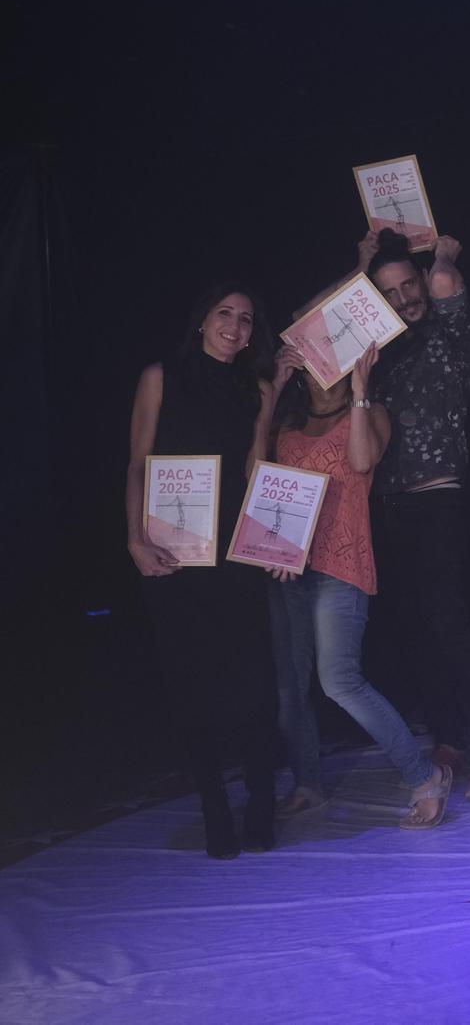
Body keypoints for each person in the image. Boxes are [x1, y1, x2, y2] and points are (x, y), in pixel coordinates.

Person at [125, 283, 286, 858]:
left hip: (236, 557)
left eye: (246, 318)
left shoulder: (258, 387)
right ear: (203, 321)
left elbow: (257, 468)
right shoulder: (160, 377)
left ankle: (261, 804)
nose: (235, 325)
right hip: (175, 556)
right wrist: (134, 540)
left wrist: (275, 544)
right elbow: (139, 459)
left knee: (255, 689)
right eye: (225, 313)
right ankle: (216, 812)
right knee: (191, 688)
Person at [267, 340, 452, 829]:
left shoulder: (369, 413)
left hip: (340, 563)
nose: (323, 365)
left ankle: (425, 775)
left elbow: (364, 462)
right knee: (291, 687)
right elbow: (260, 481)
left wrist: (361, 390)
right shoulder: (287, 424)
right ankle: (308, 782)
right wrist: (272, 396)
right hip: (287, 565)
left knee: (339, 681)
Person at [364, 230, 470, 801]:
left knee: (449, 623)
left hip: (439, 495)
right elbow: (321, 325)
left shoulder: (452, 331)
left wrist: (445, 250)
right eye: (390, 293)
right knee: (416, 629)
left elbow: (445, 281)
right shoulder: (380, 352)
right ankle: (448, 735)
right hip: (387, 501)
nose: (404, 299)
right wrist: (360, 265)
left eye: (409, 284)